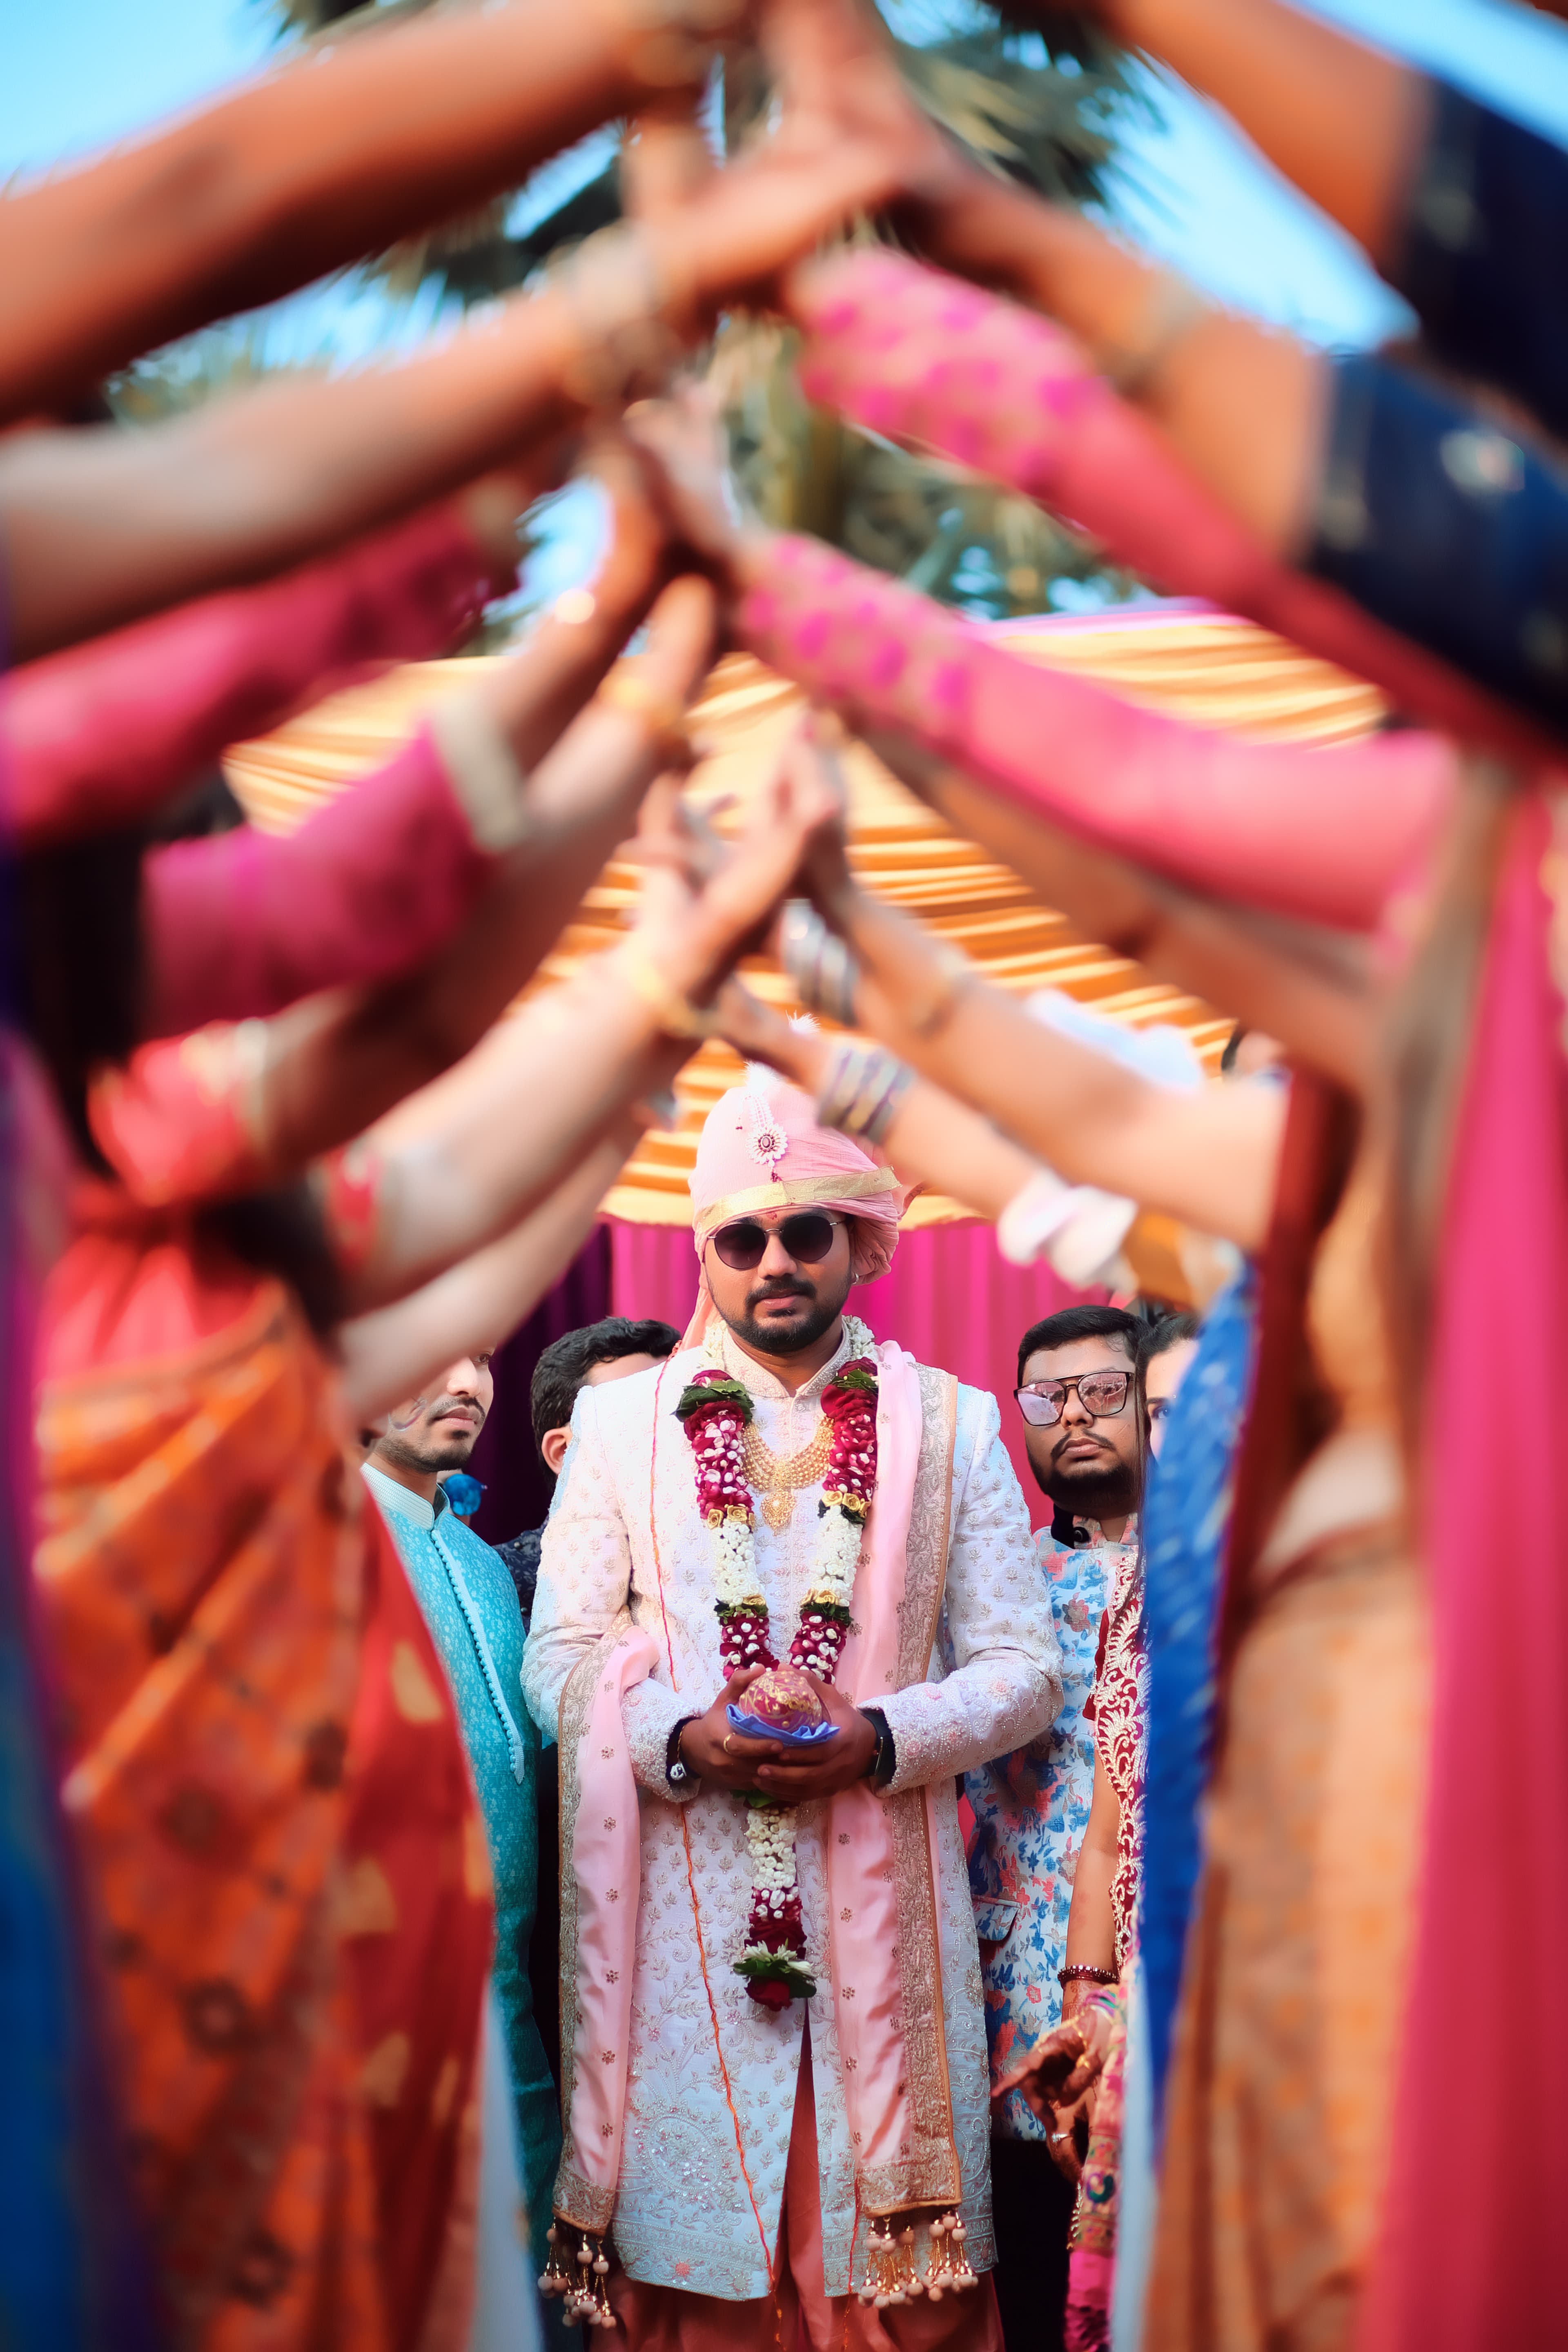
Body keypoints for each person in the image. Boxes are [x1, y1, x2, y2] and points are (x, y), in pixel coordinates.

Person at [520, 1067, 1062, 2343]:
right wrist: (677, 1737)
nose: (773, 1261)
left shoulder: (951, 1424)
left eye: (805, 1230)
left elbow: (1022, 1666)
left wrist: (879, 1740)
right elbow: (562, 1657)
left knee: (893, 2294)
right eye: (740, 1237)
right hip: (679, 1929)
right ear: (704, 1252)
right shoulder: (620, 1429)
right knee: (693, 2288)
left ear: (860, 1244)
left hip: (887, 1911)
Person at [363, 1356, 562, 2278]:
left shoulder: (483, 1563)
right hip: (378, 2022)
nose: (466, 1380)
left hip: (507, 2010)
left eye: (480, 1355)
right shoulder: (317, 1542)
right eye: (433, 1348)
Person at [497, 1316, 681, 1630]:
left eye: (680, 1412)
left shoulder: (720, 1557)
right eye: (635, 1416)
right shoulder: (495, 1582)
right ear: (563, 1452)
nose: (671, 1434)